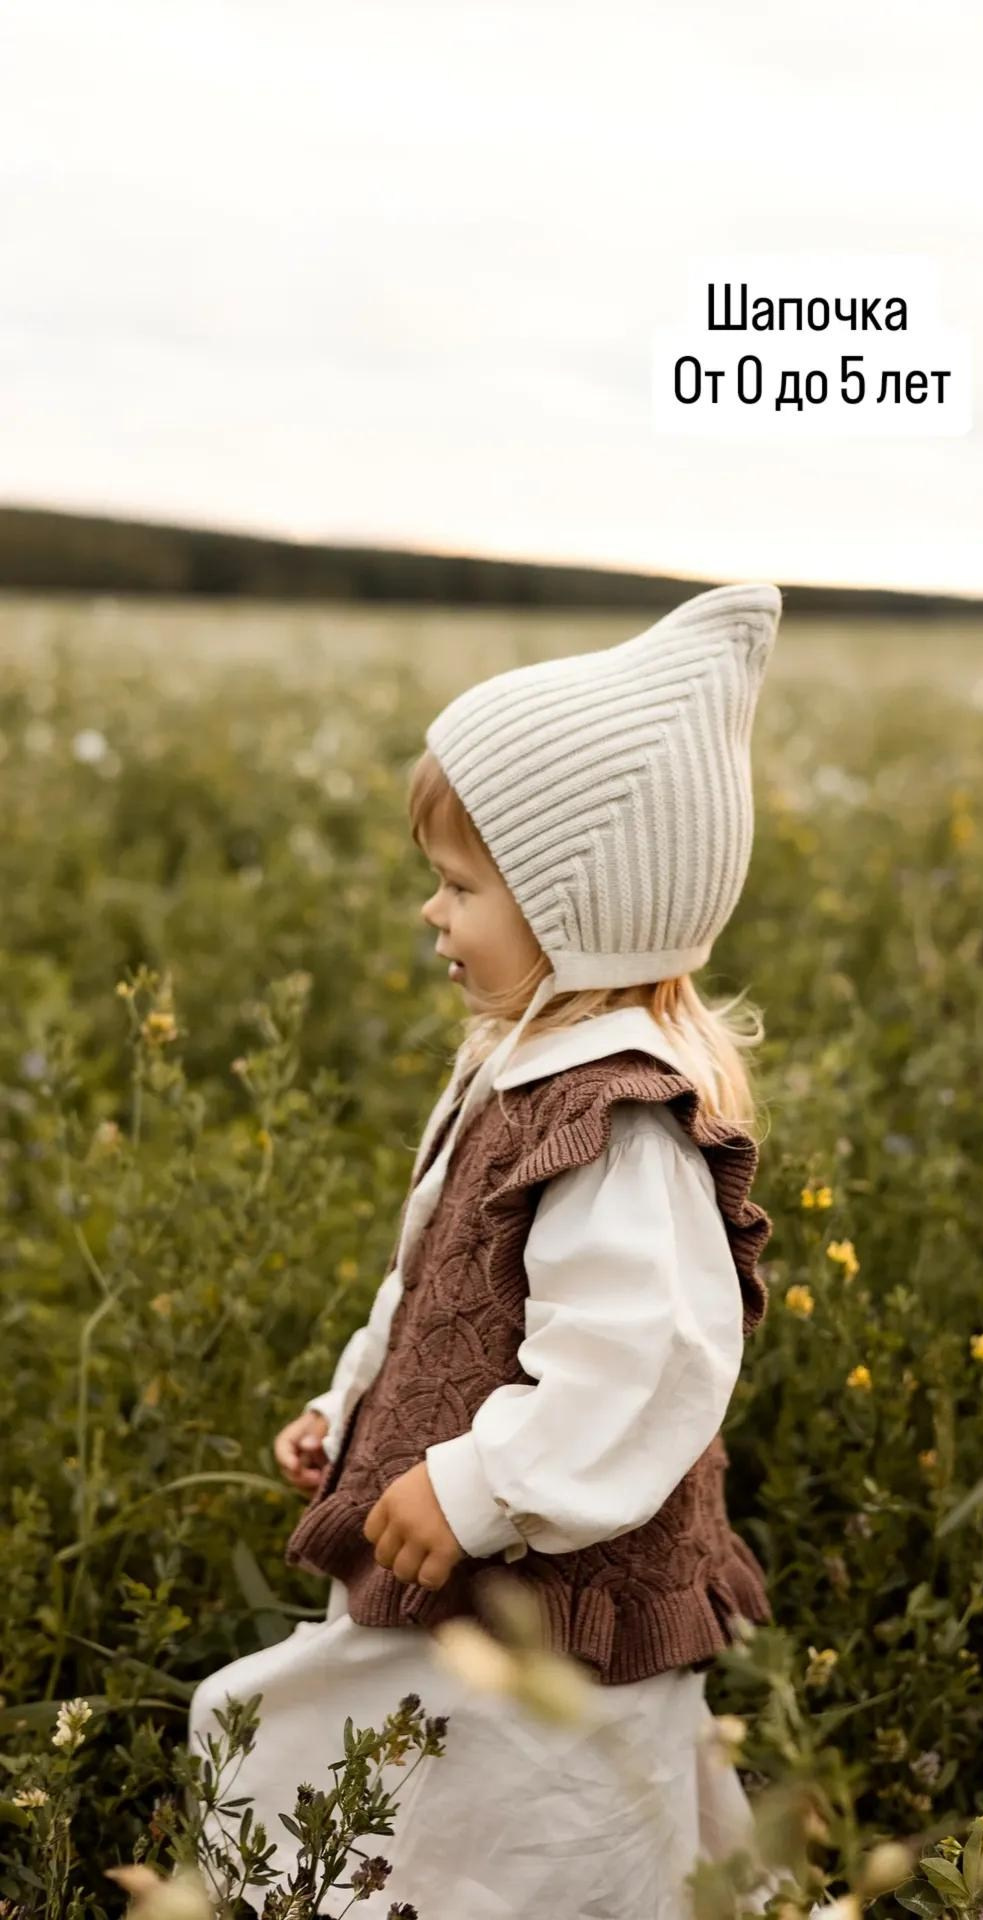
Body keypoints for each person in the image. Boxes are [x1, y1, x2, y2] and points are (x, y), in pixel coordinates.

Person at [188, 582, 792, 1920]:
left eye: (460, 886)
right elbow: (439, 1293)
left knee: (544, 1833)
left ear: (580, 912)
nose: (432, 912)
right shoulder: (522, 1068)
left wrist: (479, 1485)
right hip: (480, 1566)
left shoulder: (620, 1127)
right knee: (424, 1801)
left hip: (544, 1592)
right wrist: (351, 1408)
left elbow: (641, 1362)